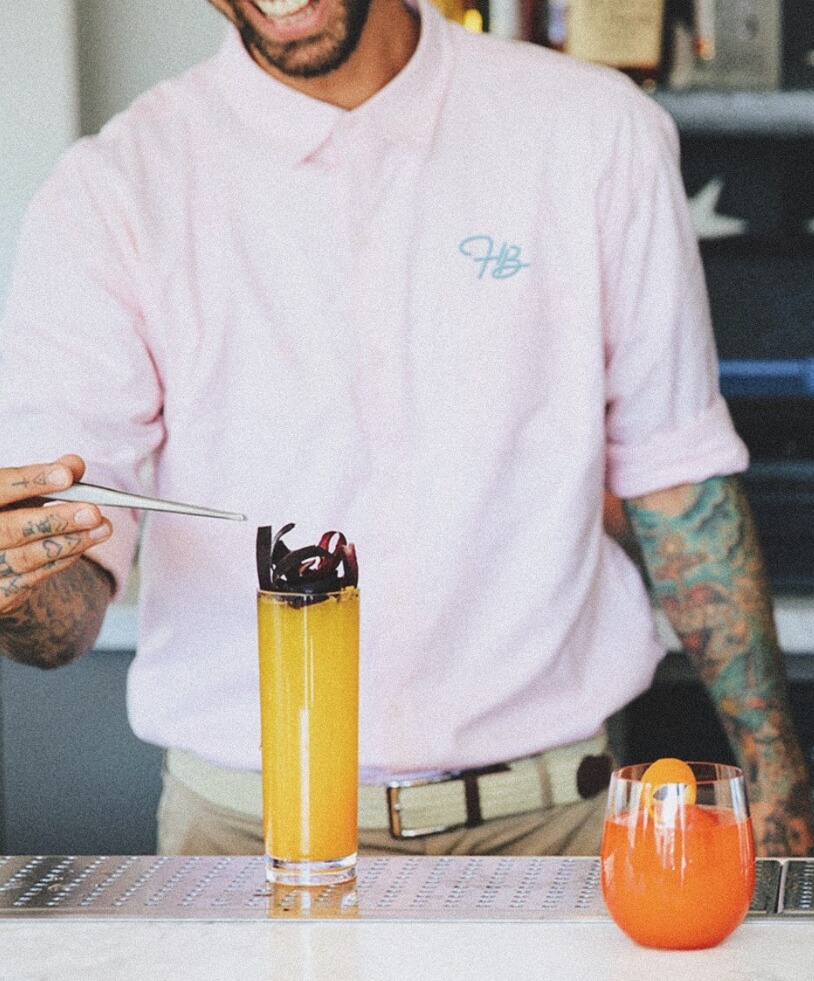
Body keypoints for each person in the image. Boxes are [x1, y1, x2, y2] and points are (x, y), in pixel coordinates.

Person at [0, 0, 811, 859]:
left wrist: (780, 792)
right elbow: (63, 598)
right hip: (246, 837)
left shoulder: (596, 131)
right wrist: (16, 590)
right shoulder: (112, 190)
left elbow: (677, 481)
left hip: (557, 825)